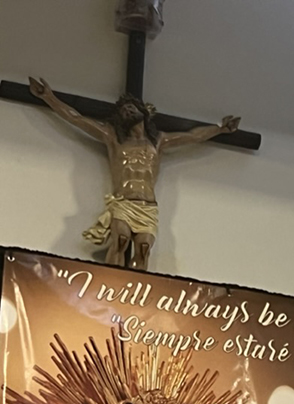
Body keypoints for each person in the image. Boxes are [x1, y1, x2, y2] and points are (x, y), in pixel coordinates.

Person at [29, 77, 240, 270]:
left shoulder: (159, 141)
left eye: (131, 109)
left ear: (144, 112)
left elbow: (194, 136)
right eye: (124, 112)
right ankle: (111, 280)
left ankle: (135, 288)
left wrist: (220, 129)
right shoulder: (113, 138)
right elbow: (77, 119)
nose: (128, 112)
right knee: (120, 239)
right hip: (124, 201)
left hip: (148, 206)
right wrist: (48, 97)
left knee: (144, 248)